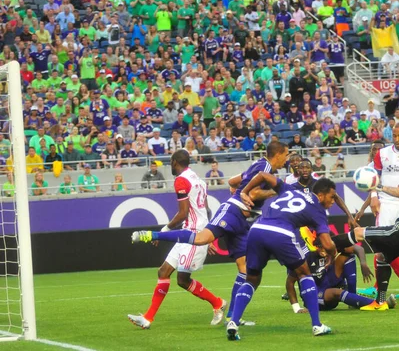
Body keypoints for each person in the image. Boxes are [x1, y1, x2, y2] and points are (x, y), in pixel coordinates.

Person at [132, 141, 290, 325]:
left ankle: (231, 316)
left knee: (244, 270)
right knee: (190, 251)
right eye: (286, 155)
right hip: (231, 213)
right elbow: (252, 194)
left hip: (237, 219)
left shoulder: (260, 166)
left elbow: (233, 183)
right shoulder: (262, 168)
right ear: (278, 153)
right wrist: (276, 191)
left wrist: (239, 192)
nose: (286, 160)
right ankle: (152, 235)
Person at [227, 173, 340, 339]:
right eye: (332, 197)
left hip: (256, 229)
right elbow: (328, 244)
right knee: (304, 273)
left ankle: (233, 322)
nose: (332, 201)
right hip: (281, 232)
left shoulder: (290, 189)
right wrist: (333, 254)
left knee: (252, 279)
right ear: (321, 194)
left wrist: (244, 191)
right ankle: (317, 325)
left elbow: (263, 175)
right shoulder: (318, 210)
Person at [128, 150, 226, 330]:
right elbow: (205, 210)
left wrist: (165, 230)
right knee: (163, 272)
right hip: (191, 232)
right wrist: (209, 234)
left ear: (174, 162)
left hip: (193, 235)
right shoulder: (198, 180)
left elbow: (183, 213)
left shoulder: (181, 180)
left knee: (182, 279)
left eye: (170, 162)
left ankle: (217, 303)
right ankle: (148, 318)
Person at [333, 150, 399, 308]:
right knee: (383, 257)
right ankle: (380, 302)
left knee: (358, 232)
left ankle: (325, 244)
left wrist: (379, 186)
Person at [360, 123, 399, 298]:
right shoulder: (382, 154)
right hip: (386, 203)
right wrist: (374, 197)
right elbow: (374, 177)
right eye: (394, 135)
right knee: (382, 247)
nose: (397, 139)